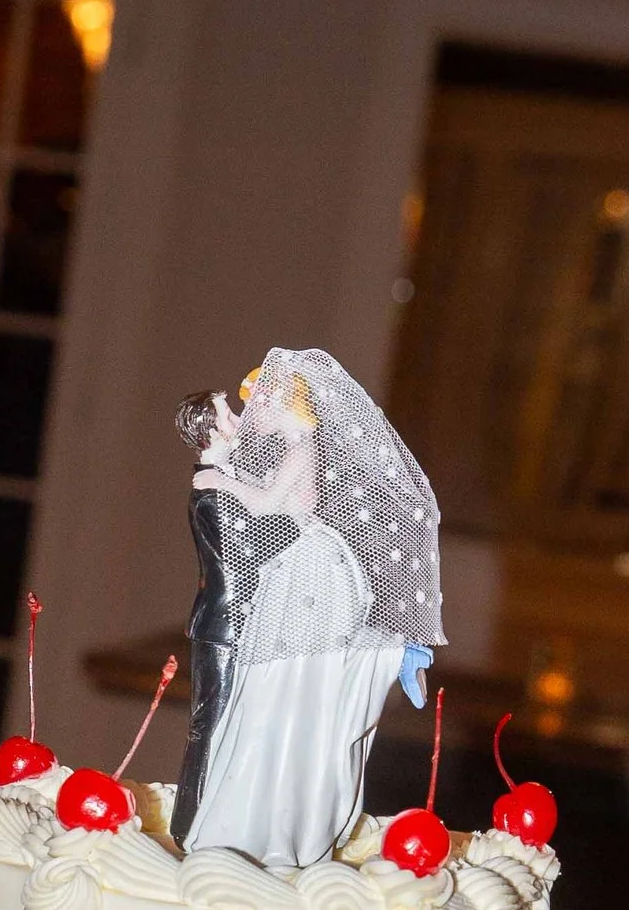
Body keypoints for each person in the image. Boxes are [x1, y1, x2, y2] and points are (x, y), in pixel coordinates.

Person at [172, 348, 440, 868]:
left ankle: (395, 654)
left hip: (311, 563)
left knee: (296, 673)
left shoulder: (300, 447)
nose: (248, 416)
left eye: (257, 403)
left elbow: (270, 506)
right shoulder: (288, 449)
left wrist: (222, 480)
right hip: (297, 563)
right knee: (284, 679)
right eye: (238, 409)